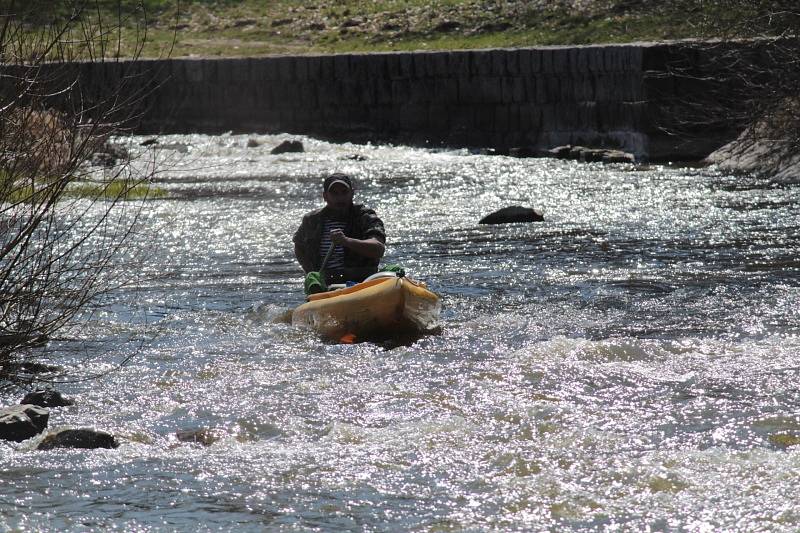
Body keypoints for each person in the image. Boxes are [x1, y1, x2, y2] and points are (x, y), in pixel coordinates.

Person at [293, 173, 385, 291]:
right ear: (325, 196)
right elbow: (299, 246)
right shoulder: (312, 220)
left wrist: (346, 241)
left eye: (344, 192)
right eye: (334, 193)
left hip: (362, 280)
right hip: (327, 283)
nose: (340, 198)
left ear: (352, 193)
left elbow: (378, 249)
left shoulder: (365, 216)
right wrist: (311, 273)